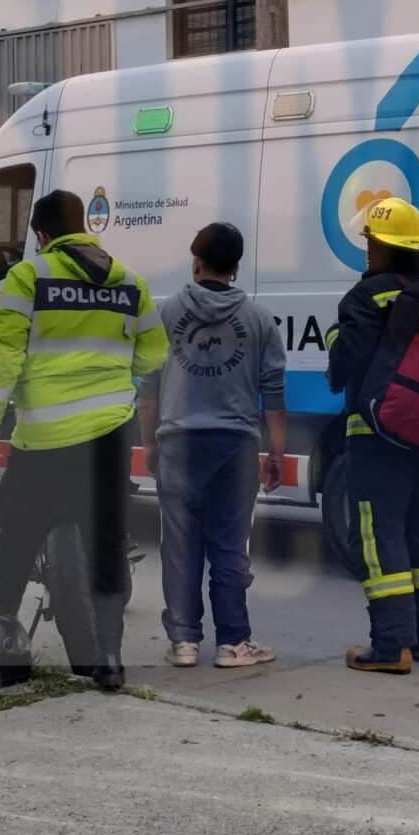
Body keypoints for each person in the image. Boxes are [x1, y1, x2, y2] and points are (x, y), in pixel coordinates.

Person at [0, 191, 169, 693]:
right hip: (108, 434)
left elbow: (3, 351)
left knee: (16, 538)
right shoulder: (129, 282)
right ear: (83, 226)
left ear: (42, 235)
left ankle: (0, 635)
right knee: (106, 545)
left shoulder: (29, 276)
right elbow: (154, 353)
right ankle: (108, 658)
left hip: (43, 436)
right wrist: (110, 376)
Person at [139, 222, 286, 669]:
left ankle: (183, 640)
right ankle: (233, 642)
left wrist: (149, 445)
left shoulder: (166, 314)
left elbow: (148, 388)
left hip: (178, 439)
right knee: (228, 543)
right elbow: (274, 393)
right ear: (236, 268)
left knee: (180, 543)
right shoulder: (259, 319)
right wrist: (277, 452)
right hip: (236, 443)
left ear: (196, 261)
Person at [325, 197, 419, 676]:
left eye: (370, 242)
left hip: (377, 435)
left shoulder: (366, 297)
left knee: (378, 535)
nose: (367, 251)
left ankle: (390, 647)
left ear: (382, 246)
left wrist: (334, 345)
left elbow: (346, 367)